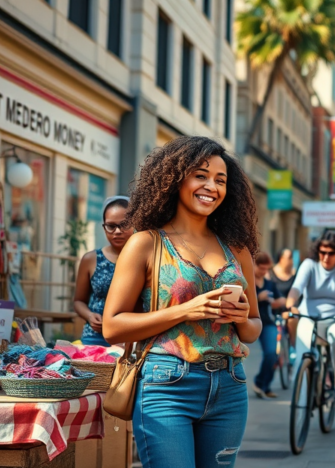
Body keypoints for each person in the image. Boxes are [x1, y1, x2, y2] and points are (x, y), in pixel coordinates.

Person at [102, 136, 261, 468]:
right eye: (200, 175)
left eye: (220, 180)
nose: (211, 187)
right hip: (166, 386)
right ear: (175, 179)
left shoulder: (237, 249)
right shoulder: (145, 243)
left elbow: (251, 330)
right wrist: (187, 310)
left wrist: (242, 317)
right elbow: (112, 326)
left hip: (230, 386)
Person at [285, 231, 335, 402]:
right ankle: (302, 402)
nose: (326, 257)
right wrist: (290, 304)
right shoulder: (309, 264)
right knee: (302, 354)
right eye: (322, 252)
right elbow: (297, 286)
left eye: (331, 253)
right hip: (308, 316)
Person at [73, 196, 132, 347]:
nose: (117, 231)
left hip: (131, 338)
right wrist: (90, 316)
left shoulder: (145, 259)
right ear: (104, 227)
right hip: (95, 338)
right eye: (111, 226)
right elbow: (78, 301)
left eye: (124, 225)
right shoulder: (91, 259)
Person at [252, 252, 285, 399]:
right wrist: (258, 298)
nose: (264, 272)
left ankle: (263, 384)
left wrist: (278, 302)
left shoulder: (270, 284)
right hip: (247, 321)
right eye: (261, 268)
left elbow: (281, 299)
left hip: (266, 322)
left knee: (272, 353)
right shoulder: (247, 282)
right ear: (254, 265)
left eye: (266, 269)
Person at [270, 249, 297, 350]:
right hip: (273, 310)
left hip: (289, 310)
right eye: (289, 258)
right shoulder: (271, 274)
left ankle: (294, 347)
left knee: (294, 316)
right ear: (281, 259)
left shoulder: (294, 275)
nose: (292, 261)